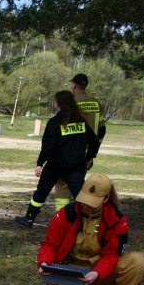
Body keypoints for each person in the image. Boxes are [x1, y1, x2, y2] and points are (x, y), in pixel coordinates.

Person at [36, 173, 144, 285]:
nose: (85, 205)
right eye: (84, 200)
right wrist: (44, 262)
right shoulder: (66, 213)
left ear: (106, 199)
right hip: (71, 272)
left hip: (99, 273)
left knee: (137, 260)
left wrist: (96, 273)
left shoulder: (117, 220)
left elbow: (112, 256)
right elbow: (50, 244)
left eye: (91, 202)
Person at [15, 90, 100, 229]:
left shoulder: (54, 122)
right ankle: (88, 224)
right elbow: (94, 142)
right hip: (76, 166)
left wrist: (39, 164)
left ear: (58, 104)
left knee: (41, 192)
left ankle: (29, 219)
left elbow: (47, 147)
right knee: (81, 196)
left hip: (55, 166)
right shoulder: (81, 122)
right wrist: (89, 157)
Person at [50, 73, 108, 210]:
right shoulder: (96, 103)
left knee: (63, 185)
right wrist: (92, 153)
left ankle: (62, 218)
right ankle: (79, 215)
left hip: (69, 152)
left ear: (74, 85)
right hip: (86, 154)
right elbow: (102, 130)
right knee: (78, 185)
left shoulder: (71, 103)